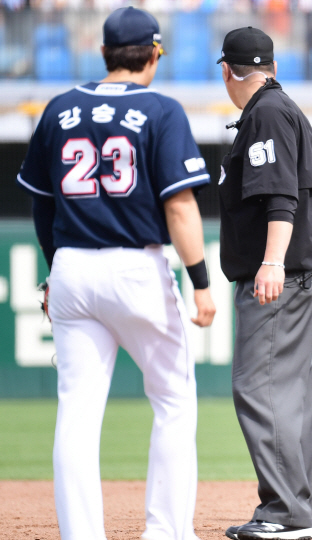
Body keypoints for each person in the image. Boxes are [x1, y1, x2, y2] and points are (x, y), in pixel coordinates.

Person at [15, 6, 216, 540]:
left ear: (104, 53)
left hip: (73, 267)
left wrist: (53, 267)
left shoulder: (59, 109)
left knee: (77, 410)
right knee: (173, 398)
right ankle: (166, 531)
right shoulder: (161, 110)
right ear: (152, 56)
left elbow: (41, 202)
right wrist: (200, 282)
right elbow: (180, 208)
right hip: (137, 268)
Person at [216, 26, 312, 540]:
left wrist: (270, 263)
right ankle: (290, 511)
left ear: (226, 71)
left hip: (278, 279)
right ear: (272, 68)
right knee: (287, 393)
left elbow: (280, 196)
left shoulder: (265, 113)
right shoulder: (280, 108)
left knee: (260, 387)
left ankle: (285, 515)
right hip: (294, 276)